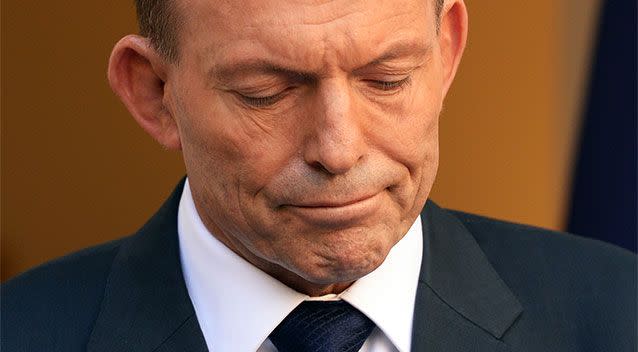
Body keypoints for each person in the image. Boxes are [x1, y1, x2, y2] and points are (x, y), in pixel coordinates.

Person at [2, 0, 635, 351]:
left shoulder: (619, 315)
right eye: (265, 92)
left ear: (445, 54)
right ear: (154, 93)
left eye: (386, 80)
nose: (339, 148)